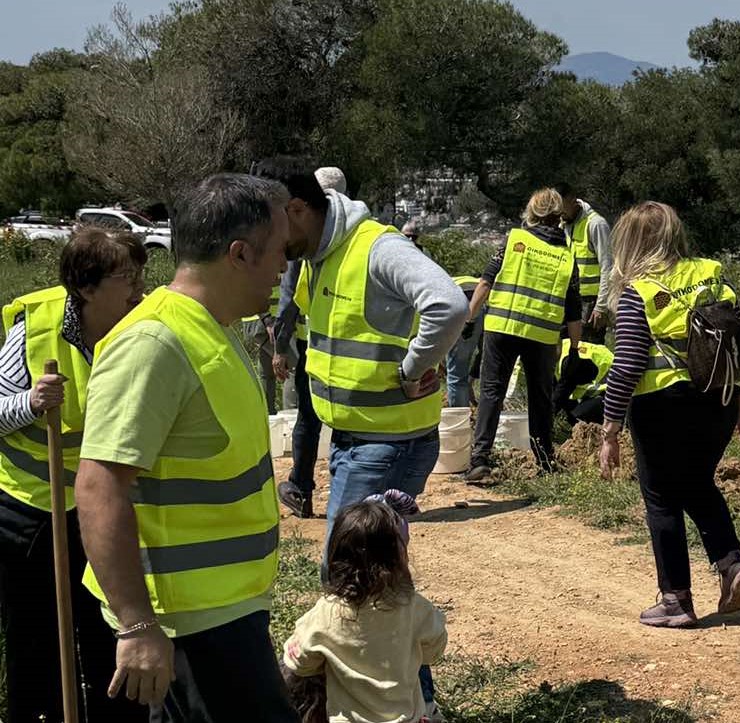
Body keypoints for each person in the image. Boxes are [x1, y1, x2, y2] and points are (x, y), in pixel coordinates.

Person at [74, 174, 299, 720]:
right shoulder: (154, 344)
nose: (284, 267)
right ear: (239, 254)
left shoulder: (211, 327)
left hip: (222, 610)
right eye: (279, 251)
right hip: (186, 626)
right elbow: (99, 487)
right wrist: (138, 625)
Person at [252, 158, 467, 543]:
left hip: (387, 444)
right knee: (366, 567)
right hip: (355, 437)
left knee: (343, 566)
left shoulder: (377, 248)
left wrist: (412, 369)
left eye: (270, 228)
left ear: (297, 209)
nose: (270, 243)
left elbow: (448, 305)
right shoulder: (318, 255)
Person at [0, 228, 148, 723]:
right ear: (86, 288)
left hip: (99, 510)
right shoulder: (34, 329)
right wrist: (30, 402)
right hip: (30, 512)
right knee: (36, 638)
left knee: (105, 625)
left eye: (140, 275)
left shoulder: (138, 327)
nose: (139, 289)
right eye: (127, 278)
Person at [597, 201, 740, 628]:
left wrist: (609, 431)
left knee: (661, 498)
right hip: (719, 401)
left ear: (631, 243)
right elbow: (739, 348)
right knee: (696, 482)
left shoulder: (639, 290)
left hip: (661, 406)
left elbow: (627, 365)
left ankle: (676, 599)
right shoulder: (713, 275)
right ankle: (732, 564)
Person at [283, 498, 446, 723]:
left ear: (335, 555)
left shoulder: (327, 612)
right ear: (398, 556)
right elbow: (434, 651)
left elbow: (298, 662)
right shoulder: (415, 607)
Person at [462, 188, 583, 480]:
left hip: (502, 329)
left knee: (492, 392)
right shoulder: (567, 257)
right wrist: (575, 348)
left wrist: (469, 318)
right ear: (558, 216)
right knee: (540, 398)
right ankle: (545, 460)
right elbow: (574, 309)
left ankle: (480, 458)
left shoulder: (514, 240)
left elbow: (485, 282)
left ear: (532, 213)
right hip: (542, 336)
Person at [272, 166, 346, 519]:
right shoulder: (360, 237)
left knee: (309, 418)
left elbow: (288, 303)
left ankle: (301, 488)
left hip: (313, 348)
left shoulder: (304, 242)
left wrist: (279, 348)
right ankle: (351, 490)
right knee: (348, 421)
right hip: (355, 350)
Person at [557, 182, 612, 343]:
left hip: (589, 303)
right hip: (565, 299)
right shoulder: (562, 225)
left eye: (562, 207)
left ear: (573, 200)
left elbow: (608, 267)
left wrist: (601, 306)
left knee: (588, 350)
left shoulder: (596, 224)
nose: (559, 213)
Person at [553, 338, 612, 425]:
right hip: (603, 389)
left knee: (578, 419)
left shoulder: (570, 361)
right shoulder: (564, 347)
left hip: (614, 391)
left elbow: (559, 397)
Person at [445, 274, 483, 407]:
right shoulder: (469, 280)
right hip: (489, 304)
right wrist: (470, 382)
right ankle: (489, 415)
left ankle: (459, 417)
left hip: (464, 304)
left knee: (456, 375)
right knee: (491, 370)